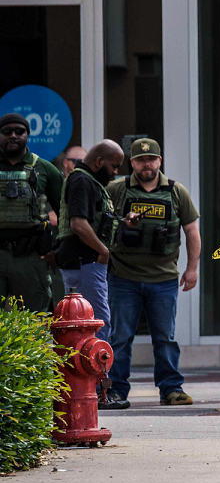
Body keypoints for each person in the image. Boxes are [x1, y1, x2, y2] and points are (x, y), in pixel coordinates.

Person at [101, 138, 200, 409]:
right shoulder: (117, 189)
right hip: (123, 277)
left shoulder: (176, 191)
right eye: (141, 160)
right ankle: (116, 390)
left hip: (163, 278)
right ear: (132, 163)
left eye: (152, 159)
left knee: (165, 337)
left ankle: (171, 389)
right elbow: (100, 220)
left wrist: (192, 269)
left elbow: (192, 231)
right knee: (120, 338)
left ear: (159, 161)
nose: (147, 164)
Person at [57, 141, 126, 346]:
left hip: (86, 262)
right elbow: (78, 223)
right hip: (85, 262)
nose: (115, 173)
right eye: (113, 166)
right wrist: (103, 251)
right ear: (98, 162)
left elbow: (95, 220)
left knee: (88, 323)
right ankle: (95, 376)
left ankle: (92, 375)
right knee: (96, 324)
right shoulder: (82, 181)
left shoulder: (87, 181)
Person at [0, 113, 64, 313]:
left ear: (28, 135)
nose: (13, 136)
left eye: (19, 131)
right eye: (7, 132)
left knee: (35, 322)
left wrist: (58, 249)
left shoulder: (45, 169)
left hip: (31, 256)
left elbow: (67, 213)